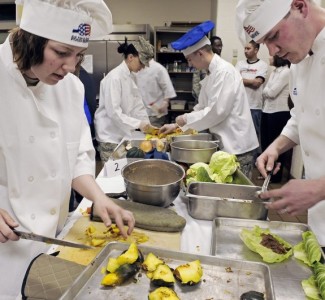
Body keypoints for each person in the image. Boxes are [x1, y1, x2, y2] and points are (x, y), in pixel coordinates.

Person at [0, 0, 135, 297]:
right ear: (28, 39)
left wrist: (99, 198)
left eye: (78, 55)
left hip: (52, 239)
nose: (70, 67)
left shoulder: (71, 88)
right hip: (6, 244)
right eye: (61, 53)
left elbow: (77, 158)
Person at [236, 0, 325, 247]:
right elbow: (301, 116)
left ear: (300, 7)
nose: (273, 51)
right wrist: (275, 148)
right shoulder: (300, 58)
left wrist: (319, 188)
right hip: (320, 221)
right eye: (266, 43)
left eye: (274, 36)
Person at [159, 21, 259, 179]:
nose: (190, 64)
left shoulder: (224, 72)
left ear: (200, 53)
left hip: (237, 146)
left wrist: (185, 119)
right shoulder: (211, 73)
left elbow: (216, 111)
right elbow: (202, 106)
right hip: (227, 144)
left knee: (235, 198)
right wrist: (177, 125)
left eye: (190, 59)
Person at [94, 37, 156, 162]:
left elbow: (137, 105)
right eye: (142, 62)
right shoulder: (115, 78)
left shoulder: (131, 77)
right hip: (110, 138)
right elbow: (114, 113)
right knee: (112, 176)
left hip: (122, 135)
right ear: (131, 57)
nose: (143, 66)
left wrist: (148, 127)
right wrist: (138, 124)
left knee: (124, 172)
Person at [261, 55, 291, 183]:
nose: (269, 57)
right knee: (266, 142)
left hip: (279, 112)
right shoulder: (274, 71)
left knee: (275, 145)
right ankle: (266, 173)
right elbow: (266, 90)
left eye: (272, 56)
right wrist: (266, 91)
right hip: (267, 110)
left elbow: (271, 92)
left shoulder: (286, 72)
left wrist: (266, 91)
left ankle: (275, 176)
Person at [235, 40, 268, 154]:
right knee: (239, 135)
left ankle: (253, 162)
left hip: (254, 106)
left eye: (248, 48)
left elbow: (257, 84)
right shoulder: (240, 64)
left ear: (256, 50)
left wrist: (241, 80)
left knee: (253, 137)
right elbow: (234, 81)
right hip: (240, 106)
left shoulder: (262, 65)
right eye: (245, 48)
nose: (245, 51)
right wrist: (250, 81)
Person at [136, 57, 176, 127]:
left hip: (155, 115)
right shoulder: (136, 68)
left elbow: (168, 88)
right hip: (138, 113)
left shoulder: (158, 68)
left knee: (153, 136)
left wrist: (165, 103)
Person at [192, 36, 223, 102]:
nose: (220, 48)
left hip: (215, 101)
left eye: (221, 46)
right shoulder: (202, 62)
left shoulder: (222, 64)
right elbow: (195, 84)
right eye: (217, 46)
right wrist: (202, 100)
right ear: (210, 47)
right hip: (201, 100)